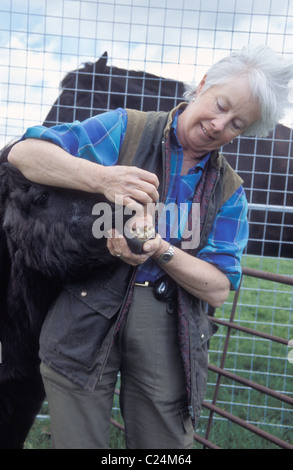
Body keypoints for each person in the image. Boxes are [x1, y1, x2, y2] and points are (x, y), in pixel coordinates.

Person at [8, 45, 293, 449]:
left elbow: (217, 288)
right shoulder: (126, 129)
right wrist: (101, 179)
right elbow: (23, 154)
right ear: (203, 85)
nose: (218, 125)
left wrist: (161, 248)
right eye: (220, 105)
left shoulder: (230, 193)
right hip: (83, 314)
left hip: (167, 328)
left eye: (236, 124)